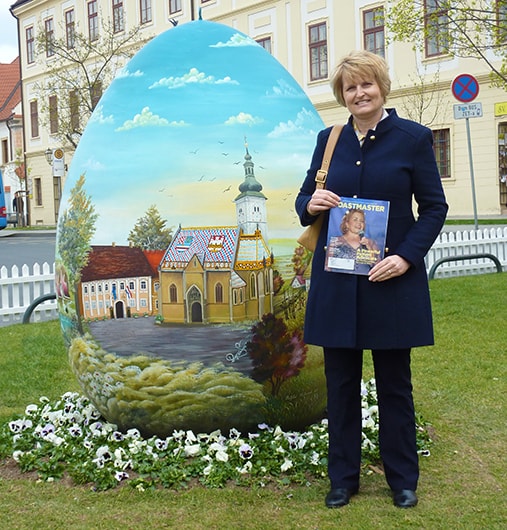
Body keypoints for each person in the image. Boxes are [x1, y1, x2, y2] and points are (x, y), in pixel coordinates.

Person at [295, 51, 448, 509]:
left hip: (390, 282)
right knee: (340, 385)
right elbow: (304, 199)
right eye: (349, 88)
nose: (359, 94)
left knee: (394, 385)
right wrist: (313, 202)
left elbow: (434, 208)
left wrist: (406, 257)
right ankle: (343, 478)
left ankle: (402, 479)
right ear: (341, 95)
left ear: (382, 86)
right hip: (338, 283)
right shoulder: (329, 139)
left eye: (366, 85)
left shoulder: (413, 139)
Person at [326, 208, 380, 274]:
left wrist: (370, 249)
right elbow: (327, 266)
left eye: (362, 221)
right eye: (355, 220)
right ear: (347, 223)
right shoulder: (335, 242)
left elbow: (378, 267)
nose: (359, 223)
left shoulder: (371, 243)